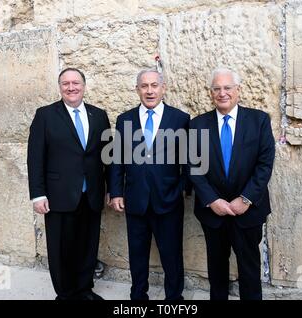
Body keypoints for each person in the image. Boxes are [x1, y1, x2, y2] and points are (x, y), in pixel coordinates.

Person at [189, 67, 275, 300]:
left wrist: (245, 198)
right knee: (216, 269)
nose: (222, 93)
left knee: (249, 268)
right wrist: (212, 200)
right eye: (216, 88)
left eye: (227, 88)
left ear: (238, 90)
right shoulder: (198, 125)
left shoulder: (259, 120)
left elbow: (265, 164)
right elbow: (193, 167)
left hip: (248, 211)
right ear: (211, 93)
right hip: (213, 212)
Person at [27, 68, 111, 300]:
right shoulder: (45, 115)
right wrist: (37, 194)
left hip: (91, 194)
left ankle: (84, 290)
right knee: (61, 249)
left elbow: (107, 156)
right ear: (60, 87)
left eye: (76, 83)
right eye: (66, 83)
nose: (71, 87)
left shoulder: (99, 115)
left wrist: (111, 189)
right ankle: (65, 294)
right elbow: (35, 157)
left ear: (84, 86)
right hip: (58, 195)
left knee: (87, 245)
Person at [109, 69, 190, 300]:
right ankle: (138, 296)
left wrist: (182, 189)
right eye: (144, 86)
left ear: (163, 88)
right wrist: (116, 192)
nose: (150, 90)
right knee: (137, 253)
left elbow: (190, 161)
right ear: (137, 90)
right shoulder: (125, 119)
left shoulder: (180, 119)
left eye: (154, 85)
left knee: (172, 254)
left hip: (169, 200)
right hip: (135, 200)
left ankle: (174, 299)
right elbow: (117, 159)